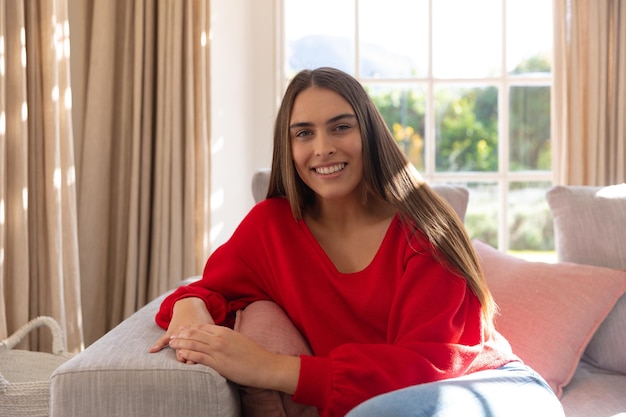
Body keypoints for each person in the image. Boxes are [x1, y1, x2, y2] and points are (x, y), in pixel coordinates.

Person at [149, 67, 564, 417]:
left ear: (369, 133)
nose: (323, 148)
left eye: (340, 127)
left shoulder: (425, 229)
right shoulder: (271, 227)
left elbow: (426, 368)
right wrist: (189, 307)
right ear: (287, 146)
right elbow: (210, 287)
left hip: (490, 387)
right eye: (304, 133)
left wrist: (272, 368)